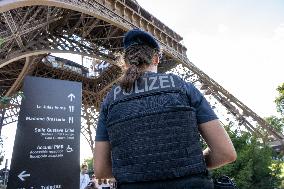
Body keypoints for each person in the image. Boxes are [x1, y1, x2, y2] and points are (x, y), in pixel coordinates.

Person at [94, 29, 237, 189]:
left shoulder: (110, 100)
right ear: (156, 59)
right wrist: (186, 163)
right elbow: (226, 153)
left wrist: (136, 171)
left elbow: (100, 170)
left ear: (126, 63)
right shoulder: (183, 87)